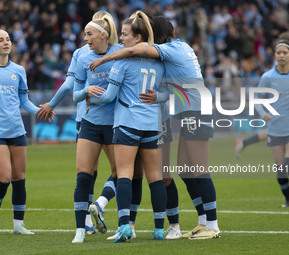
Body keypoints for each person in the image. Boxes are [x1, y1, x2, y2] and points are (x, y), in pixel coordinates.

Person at [89, 16, 221, 240]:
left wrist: (106, 58)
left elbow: (135, 50)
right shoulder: (182, 46)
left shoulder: (168, 50)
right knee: (185, 170)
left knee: (198, 169)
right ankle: (202, 222)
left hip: (195, 109)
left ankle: (213, 225)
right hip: (190, 108)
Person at [88, 11, 167, 243]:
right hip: (152, 124)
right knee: (155, 177)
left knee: (124, 175)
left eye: (124, 34)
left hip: (128, 123)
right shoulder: (158, 62)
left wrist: (89, 97)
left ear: (138, 37)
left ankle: (124, 227)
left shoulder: (121, 62)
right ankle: (159, 230)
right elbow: (167, 95)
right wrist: (157, 97)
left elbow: (109, 96)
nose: (120, 39)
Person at [0, 29, 54, 235]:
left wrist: (41, 110)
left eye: (8, 39)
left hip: (16, 129)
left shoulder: (19, 70)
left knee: (19, 177)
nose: (6, 42)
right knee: (4, 176)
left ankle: (18, 226)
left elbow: (24, 101)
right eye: (1, 40)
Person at [36, 10, 113, 235]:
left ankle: (87, 222)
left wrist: (51, 104)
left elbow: (70, 86)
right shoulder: (99, 53)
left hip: (85, 117)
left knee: (88, 172)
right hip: (108, 118)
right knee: (120, 170)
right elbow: (72, 86)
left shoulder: (81, 52)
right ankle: (102, 211)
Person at [70, 14, 121, 243]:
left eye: (89, 34)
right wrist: (86, 92)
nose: (85, 38)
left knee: (121, 173)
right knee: (83, 175)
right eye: (84, 35)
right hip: (90, 122)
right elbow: (75, 94)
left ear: (103, 35)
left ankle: (101, 203)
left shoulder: (120, 53)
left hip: (115, 123)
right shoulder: (83, 58)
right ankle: (81, 230)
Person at [255, 39, 289, 207]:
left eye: (285, 52)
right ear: (275, 55)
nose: (282, 56)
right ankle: (288, 198)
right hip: (275, 127)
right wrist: (263, 113)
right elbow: (256, 99)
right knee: (281, 167)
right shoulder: (268, 77)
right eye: (279, 53)